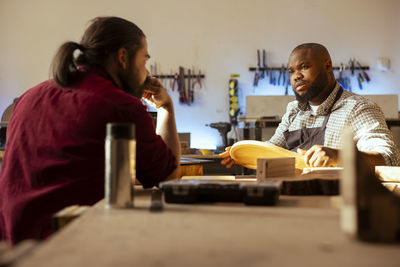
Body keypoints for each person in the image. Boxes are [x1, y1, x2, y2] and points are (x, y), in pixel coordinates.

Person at [0, 16, 180, 244]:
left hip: (12, 244)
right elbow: (168, 177)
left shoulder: (30, 96)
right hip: (65, 245)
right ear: (123, 57)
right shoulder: (121, 106)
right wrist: (165, 107)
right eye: (144, 61)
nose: (146, 72)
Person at [221, 43, 400, 168]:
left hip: (335, 202)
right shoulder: (294, 111)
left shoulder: (358, 108)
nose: (296, 76)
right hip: (291, 198)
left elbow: (389, 157)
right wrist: (243, 153)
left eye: (304, 67)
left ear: (328, 66)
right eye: (291, 71)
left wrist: (339, 156)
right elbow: (272, 150)